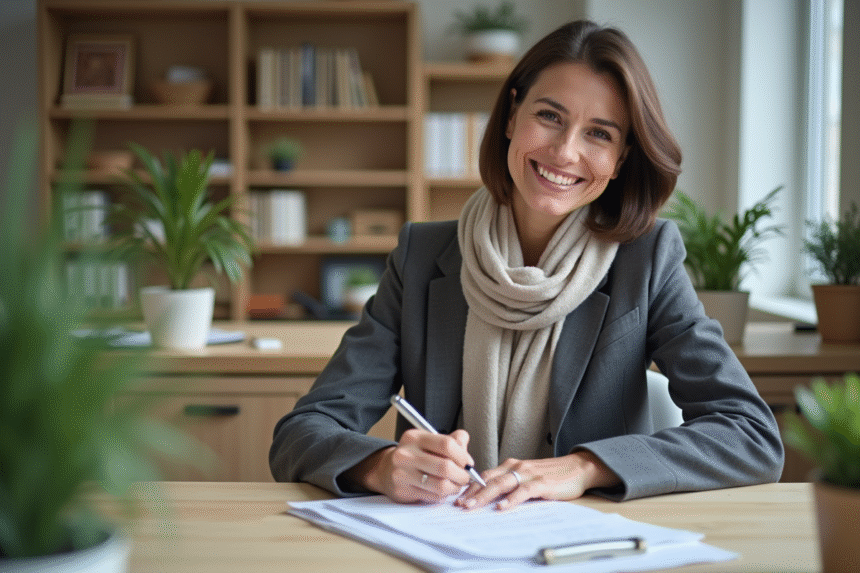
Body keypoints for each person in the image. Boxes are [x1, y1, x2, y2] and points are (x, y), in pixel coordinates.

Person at [270, 20, 784, 510]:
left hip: (582, 547)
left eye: (600, 134)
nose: (565, 152)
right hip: (443, 537)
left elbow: (751, 436)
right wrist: (379, 466)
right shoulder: (421, 256)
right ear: (512, 115)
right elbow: (302, 432)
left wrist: (584, 467)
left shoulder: (646, 260)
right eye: (550, 117)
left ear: (623, 157)